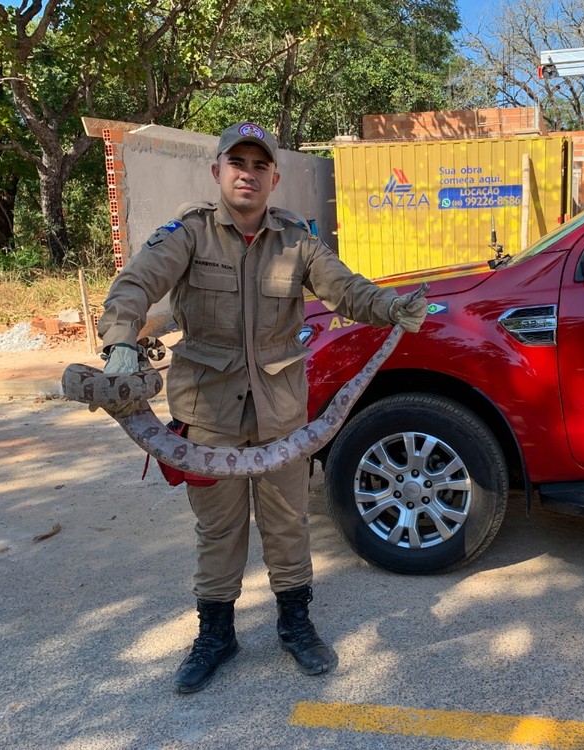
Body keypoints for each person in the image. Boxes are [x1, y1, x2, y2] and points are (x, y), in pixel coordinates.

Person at [96, 121, 428, 693]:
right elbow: (136, 284)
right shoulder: (189, 233)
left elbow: (346, 290)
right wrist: (121, 340)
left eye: (258, 166)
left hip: (280, 416)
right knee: (219, 532)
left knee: (288, 524)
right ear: (218, 171)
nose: (247, 174)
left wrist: (392, 306)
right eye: (237, 164)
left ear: (273, 177)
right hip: (207, 416)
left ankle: (296, 625)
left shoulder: (297, 239)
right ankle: (216, 634)